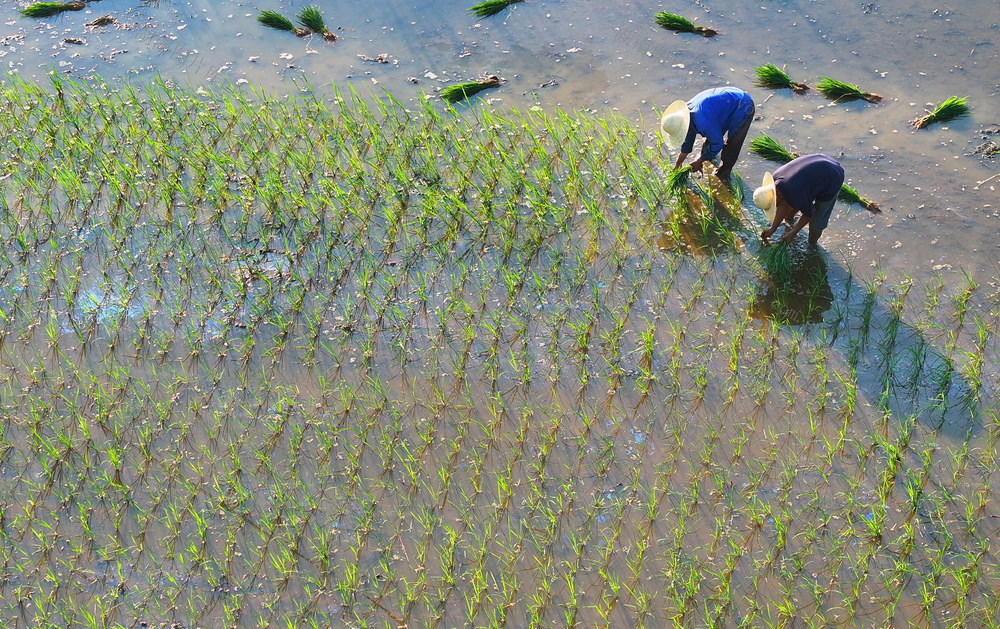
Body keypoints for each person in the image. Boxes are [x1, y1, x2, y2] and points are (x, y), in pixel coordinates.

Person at [660, 86, 755, 181]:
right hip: (724, 105)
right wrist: (678, 164)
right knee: (712, 137)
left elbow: (718, 144)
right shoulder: (684, 117)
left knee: (732, 145)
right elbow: (687, 142)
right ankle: (708, 157)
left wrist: (699, 160)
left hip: (743, 106)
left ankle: (723, 174)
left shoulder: (703, 122)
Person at [754, 153, 844, 245]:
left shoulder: (794, 193)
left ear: (776, 195)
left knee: (816, 224)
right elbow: (783, 204)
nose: (775, 206)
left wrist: (793, 233)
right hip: (820, 160)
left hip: (833, 177)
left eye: (774, 204)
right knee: (790, 208)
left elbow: (810, 214)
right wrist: (773, 229)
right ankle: (791, 220)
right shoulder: (775, 183)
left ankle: (812, 246)